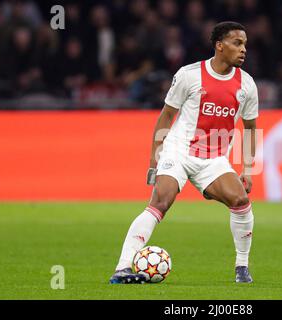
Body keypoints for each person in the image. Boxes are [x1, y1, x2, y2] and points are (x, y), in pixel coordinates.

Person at [110, 21, 259, 284]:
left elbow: (250, 130)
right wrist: (154, 159)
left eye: (245, 44)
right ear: (220, 45)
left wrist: (246, 169)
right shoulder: (189, 75)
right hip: (178, 151)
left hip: (213, 159)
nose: (243, 49)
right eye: (237, 43)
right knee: (160, 201)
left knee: (240, 201)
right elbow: (166, 117)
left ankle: (242, 267)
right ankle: (123, 267)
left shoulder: (247, 85)